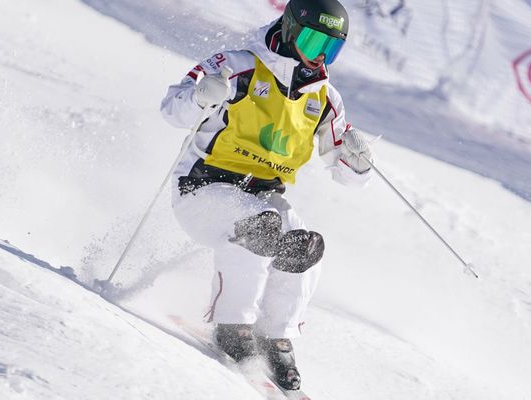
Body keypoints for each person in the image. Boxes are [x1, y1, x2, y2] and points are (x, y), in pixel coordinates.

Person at [160, 0, 373, 391]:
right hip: (203, 188)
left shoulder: (325, 99)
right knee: (261, 227)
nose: (319, 56)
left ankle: (276, 336)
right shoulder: (237, 66)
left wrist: (357, 163)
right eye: (312, 41)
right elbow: (172, 111)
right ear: (290, 30)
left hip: (262, 196)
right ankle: (233, 326)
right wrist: (200, 97)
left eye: (331, 48)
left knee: (303, 243)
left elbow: (347, 176)